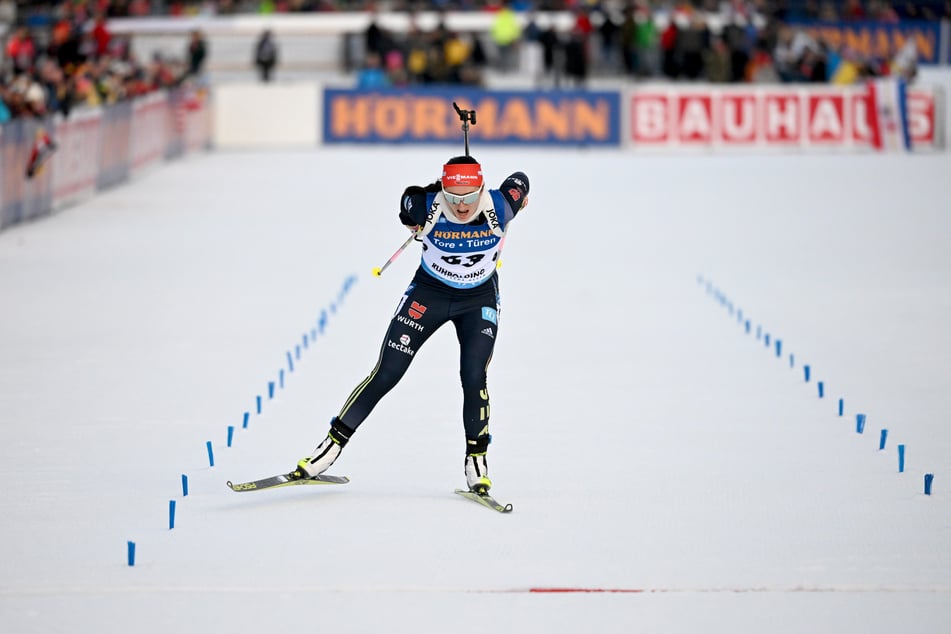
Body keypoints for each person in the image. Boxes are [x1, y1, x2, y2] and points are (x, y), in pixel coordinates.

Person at [292, 155, 530, 494]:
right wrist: (416, 212)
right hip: (429, 294)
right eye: (453, 197)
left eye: (469, 197)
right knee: (387, 372)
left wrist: (517, 196)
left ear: (482, 189)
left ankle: (476, 460)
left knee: (474, 375)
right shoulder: (427, 207)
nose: (461, 207)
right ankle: (329, 448)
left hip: (478, 300)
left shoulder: (502, 205)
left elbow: (520, 180)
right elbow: (408, 200)